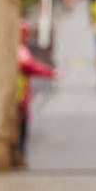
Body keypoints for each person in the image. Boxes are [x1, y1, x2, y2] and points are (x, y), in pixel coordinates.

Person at [16, 20, 57, 164]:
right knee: (20, 124)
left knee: (22, 123)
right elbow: (29, 66)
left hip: (22, 93)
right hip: (18, 93)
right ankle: (19, 152)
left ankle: (20, 152)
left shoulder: (21, 49)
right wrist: (51, 72)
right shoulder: (20, 51)